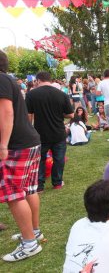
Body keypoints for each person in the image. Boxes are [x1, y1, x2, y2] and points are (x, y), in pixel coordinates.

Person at [0, 51, 43, 262]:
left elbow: (6, 113)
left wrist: (2, 144)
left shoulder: (0, 80)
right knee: (29, 190)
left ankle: (29, 243)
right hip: (29, 141)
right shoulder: (8, 80)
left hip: (16, 145)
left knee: (14, 194)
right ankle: (33, 233)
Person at [26, 71, 74, 192]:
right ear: (49, 79)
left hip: (40, 133)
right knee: (59, 158)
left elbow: (29, 115)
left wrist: (29, 129)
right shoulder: (61, 94)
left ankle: (40, 186)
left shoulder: (32, 94)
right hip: (58, 132)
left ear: (38, 80)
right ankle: (57, 182)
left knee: (40, 160)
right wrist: (59, 114)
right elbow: (71, 114)